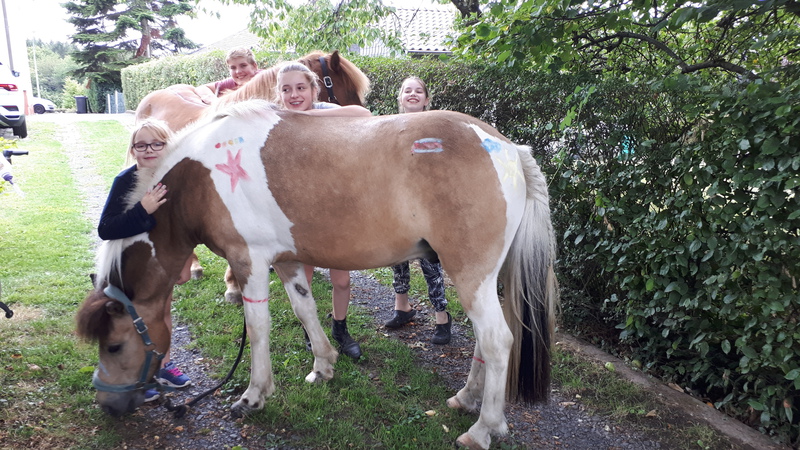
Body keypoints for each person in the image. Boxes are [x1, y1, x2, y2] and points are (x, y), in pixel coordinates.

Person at [275, 62, 372, 360]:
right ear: (279, 93)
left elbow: (364, 114)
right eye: (286, 89)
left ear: (314, 90)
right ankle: (311, 329)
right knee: (303, 278)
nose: (294, 95)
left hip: (333, 211)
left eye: (300, 88)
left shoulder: (324, 110)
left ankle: (340, 329)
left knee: (341, 279)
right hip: (298, 214)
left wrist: (308, 116)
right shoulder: (274, 118)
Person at [98, 119, 193, 402]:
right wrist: (143, 209)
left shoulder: (176, 180)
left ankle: (162, 364)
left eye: (157, 144)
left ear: (168, 146)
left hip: (162, 264)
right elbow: (106, 228)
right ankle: (140, 371)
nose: (149, 150)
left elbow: (185, 228)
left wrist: (186, 262)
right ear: (132, 150)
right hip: (131, 265)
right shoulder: (125, 181)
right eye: (141, 145)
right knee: (137, 317)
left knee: (163, 312)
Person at [384, 77, 452, 345]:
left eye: (418, 91)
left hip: (426, 207)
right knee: (397, 260)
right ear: (400, 98)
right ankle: (402, 308)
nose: (412, 94)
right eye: (407, 91)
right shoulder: (389, 127)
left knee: (430, 263)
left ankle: (442, 318)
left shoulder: (433, 126)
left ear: (426, 99)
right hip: (396, 204)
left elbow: (439, 166)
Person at [195, 47, 261, 104]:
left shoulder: (263, 78)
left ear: (254, 66)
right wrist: (214, 100)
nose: (238, 71)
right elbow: (201, 88)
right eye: (233, 68)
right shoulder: (232, 83)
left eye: (243, 65)